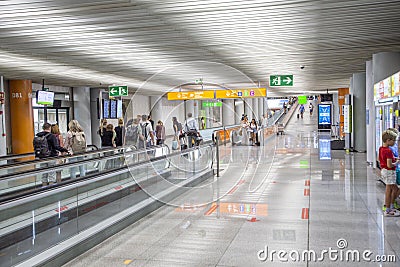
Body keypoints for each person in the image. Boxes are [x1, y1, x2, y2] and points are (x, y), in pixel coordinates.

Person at [34, 122, 68, 186]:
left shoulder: (38, 136)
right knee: (51, 173)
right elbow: (56, 146)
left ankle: (44, 187)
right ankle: (50, 188)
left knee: (44, 173)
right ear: (49, 128)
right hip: (51, 157)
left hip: (42, 157)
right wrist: (65, 150)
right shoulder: (52, 136)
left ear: (43, 128)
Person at [379, 129, 400, 216]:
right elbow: (390, 165)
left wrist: (393, 158)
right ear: (388, 141)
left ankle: (390, 207)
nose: (395, 142)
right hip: (389, 172)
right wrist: (397, 162)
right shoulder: (388, 151)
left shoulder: (381, 149)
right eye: (394, 140)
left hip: (384, 171)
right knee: (389, 190)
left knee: (393, 189)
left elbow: (379, 159)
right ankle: (388, 210)